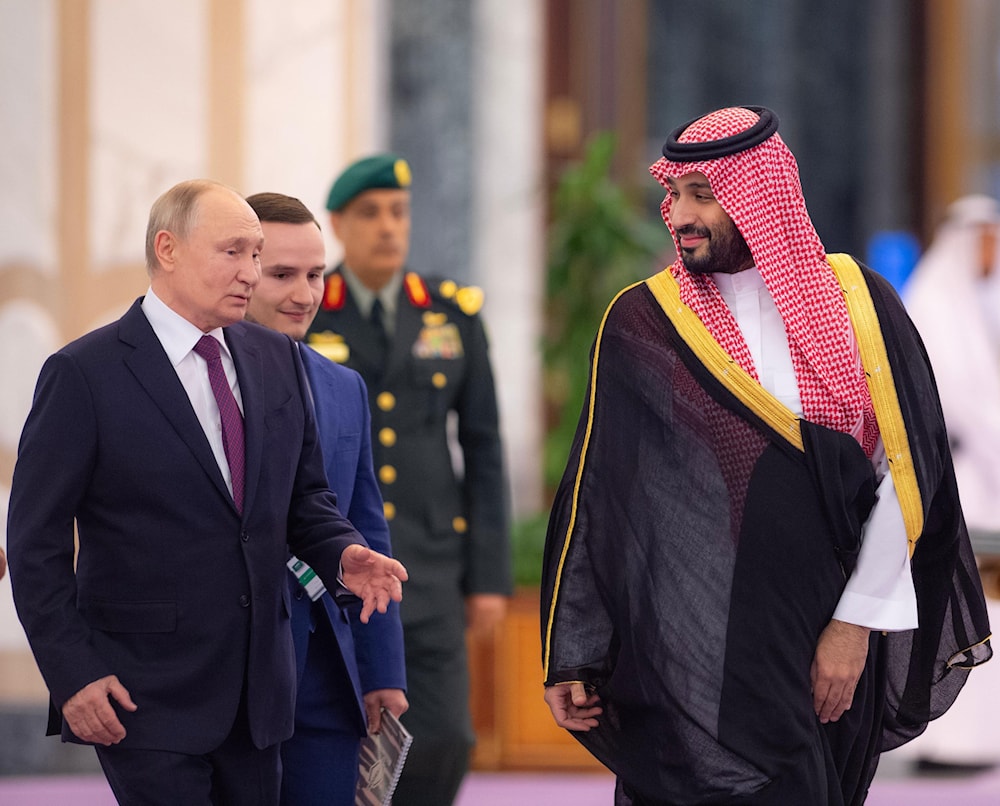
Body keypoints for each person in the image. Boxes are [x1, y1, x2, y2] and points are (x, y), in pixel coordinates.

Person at [540, 106, 992, 805]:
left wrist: (853, 625)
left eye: (702, 195)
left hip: (831, 617)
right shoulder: (645, 320)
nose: (679, 215)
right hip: (698, 624)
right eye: (673, 194)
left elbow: (905, 474)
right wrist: (575, 652)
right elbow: (602, 494)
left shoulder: (863, 305)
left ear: (761, 195)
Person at [6, 179, 407, 805]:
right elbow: (35, 544)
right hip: (143, 695)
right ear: (167, 249)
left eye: (256, 254)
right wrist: (73, 673)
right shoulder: (83, 374)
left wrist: (341, 553)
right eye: (233, 252)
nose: (250, 272)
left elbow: (305, 502)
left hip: (259, 696)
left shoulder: (276, 359)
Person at [306, 153, 512, 806]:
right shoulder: (310, 309)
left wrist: (488, 577)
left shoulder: (450, 312)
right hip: (336, 559)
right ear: (339, 224)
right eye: (370, 213)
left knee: (447, 737)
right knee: (343, 728)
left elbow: (483, 448)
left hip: (428, 561)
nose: (388, 226)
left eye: (398, 212)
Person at [243, 191, 408, 805]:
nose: (304, 294)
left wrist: (382, 669)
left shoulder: (343, 386)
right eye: (282, 275)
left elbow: (365, 529)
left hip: (326, 668)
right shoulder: (195, 385)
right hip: (233, 671)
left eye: (315, 275)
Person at [899, 194, 1000, 770]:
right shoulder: (934, 307)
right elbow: (965, 407)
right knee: (953, 604)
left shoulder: (975, 307)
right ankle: (943, 739)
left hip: (981, 482)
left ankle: (974, 740)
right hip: (953, 480)